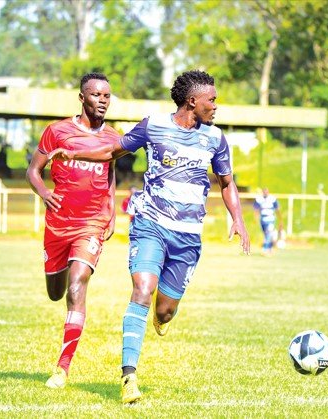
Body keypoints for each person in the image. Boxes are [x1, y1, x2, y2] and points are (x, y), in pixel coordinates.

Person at [49, 70, 251, 405]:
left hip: (187, 237)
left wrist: (239, 219)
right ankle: (129, 377)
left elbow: (227, 183)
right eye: (211, 100)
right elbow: (112, 151)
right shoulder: (153, 125)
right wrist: (77, 154)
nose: (215, 106)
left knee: (166, 311)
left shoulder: (215, 139)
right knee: (141, 289)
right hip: (150, 224)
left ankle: (161, 317)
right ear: (192, 101)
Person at [26, 72, 119, 389]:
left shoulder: (113, 138)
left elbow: (110, 173)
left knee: (77, 285)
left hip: (91, 222)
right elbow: (33, 171)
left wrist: (111, 210)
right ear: (82, 98)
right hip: (58, 223)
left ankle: (62, 369)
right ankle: (60, 268)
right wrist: (44, 193)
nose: (102, 100)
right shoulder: (57, 131)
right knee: (56, 291)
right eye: (96, 94)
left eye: (107, 95)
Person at [253, 187, 282, 256]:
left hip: (270, 219)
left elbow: (277, 209)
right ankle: (270, 248)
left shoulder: (272, 199)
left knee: (269, 233)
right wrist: (256, 218)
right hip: (263, 219)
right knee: (266, 234)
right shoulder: (259, 199)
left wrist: (280, 219)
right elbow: (256, 209)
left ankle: (265, 249)